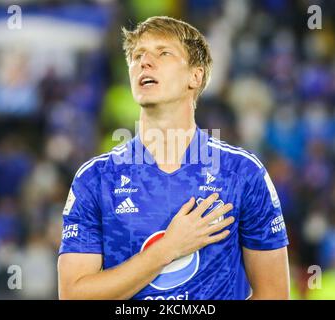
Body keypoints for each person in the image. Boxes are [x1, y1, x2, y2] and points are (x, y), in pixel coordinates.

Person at [57, 16, 290, 300]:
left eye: (163, 53)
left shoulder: (243, 173)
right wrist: (169, 248)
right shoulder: (95, 179)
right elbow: (74, 295)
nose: (145, 62)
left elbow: (274, 294)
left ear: (196, 76)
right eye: (137, 55)